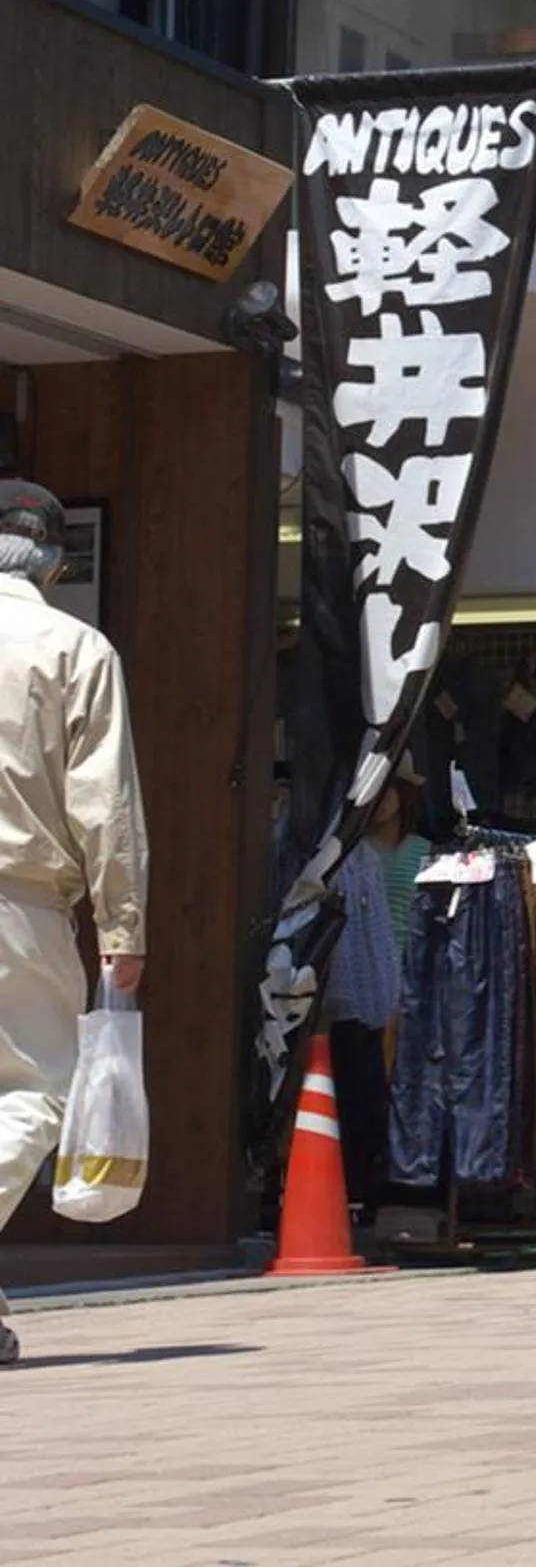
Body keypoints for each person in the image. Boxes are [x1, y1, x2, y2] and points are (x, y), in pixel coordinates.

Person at [0, 483, 150, 1367]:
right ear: (56, 562)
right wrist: (124, 928)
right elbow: (107, 805)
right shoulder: (73, 646)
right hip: (20, 900)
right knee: (38, 1089)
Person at [323, 776, 419, 1214]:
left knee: (379, 1080)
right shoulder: (351, 852)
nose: (382, 800)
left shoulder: (419, 850)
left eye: (390, 790)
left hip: (397, 969)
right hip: (360, 973)